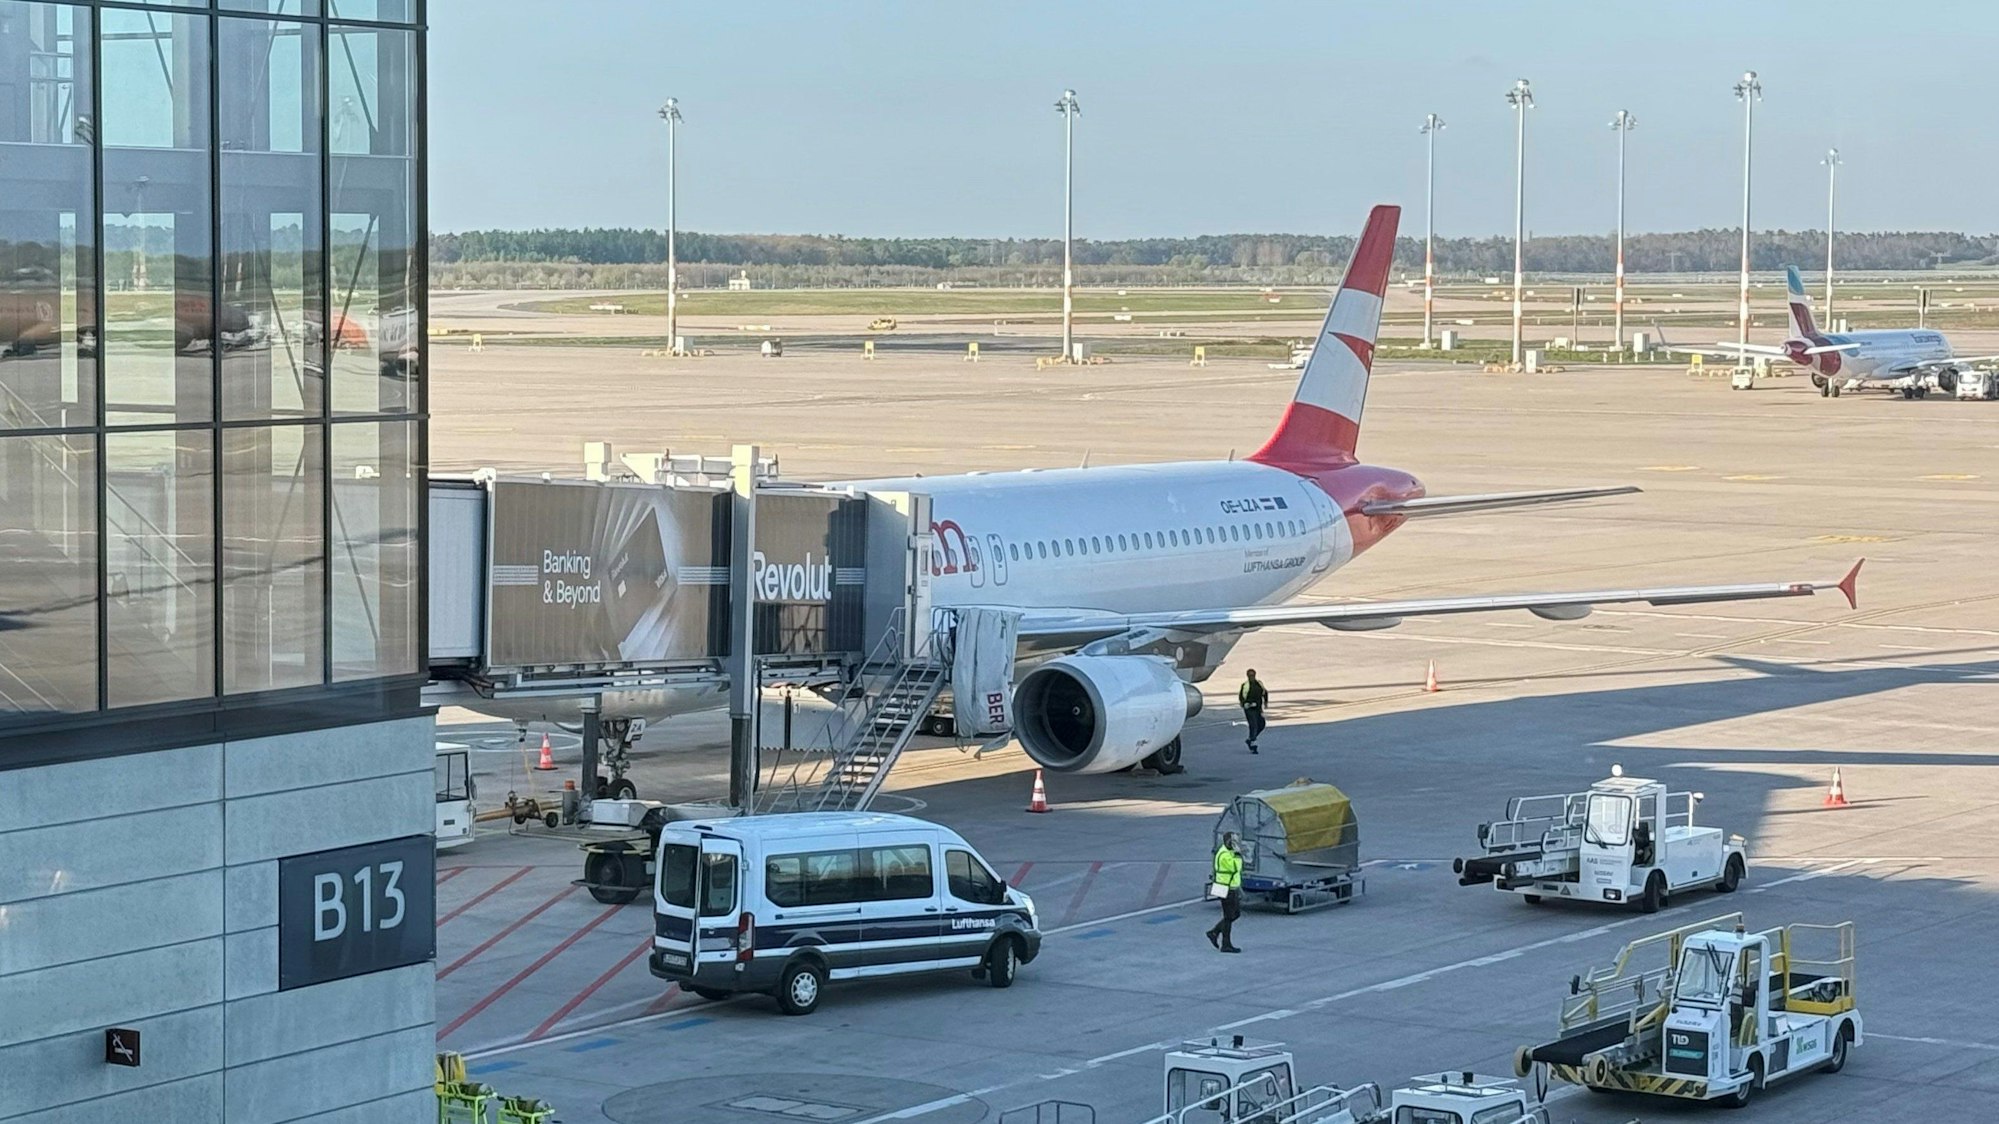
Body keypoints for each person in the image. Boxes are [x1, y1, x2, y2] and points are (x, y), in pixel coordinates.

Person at [1206, 832, 1244, 953]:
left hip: (1230, 887)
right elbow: (1236, 867)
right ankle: (1226, 944)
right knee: (1228, 916)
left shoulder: (1227, 852)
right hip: (1225, 888)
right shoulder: (1224, 854)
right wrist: (1238, 854)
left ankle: (1215, 932)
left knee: (1235, 914)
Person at [1238, 669, 1269, 753]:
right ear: (1247, 676)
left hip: (1258, 708)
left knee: (1261, 724)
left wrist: (1265, 702)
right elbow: (1241, 696)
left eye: (1253, 675)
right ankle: (1253, 745)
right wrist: (1245, 704)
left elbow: (1265, 692)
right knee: (1253, 725)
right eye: (1250, 675)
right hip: (1249, 709)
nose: (1251, 677)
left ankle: (1250, 738)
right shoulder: (1245, 685)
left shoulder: (1259, 684)